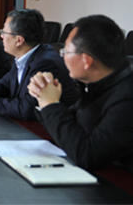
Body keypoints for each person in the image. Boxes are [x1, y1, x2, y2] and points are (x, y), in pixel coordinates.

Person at [28, 15, 133, 171]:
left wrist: (50, 104)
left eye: (65, 52)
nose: (62, 57)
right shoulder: (99, 84)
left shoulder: (127, 98)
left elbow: (87, 155)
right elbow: (72, 127)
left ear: (86, 61)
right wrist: (42, 97)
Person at [0, 8, 78, 121]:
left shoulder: (45, 63)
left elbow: (27, 108)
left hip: (45, 128)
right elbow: (5, 84)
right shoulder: (24, 56)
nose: (1, 36)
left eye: (4, 32)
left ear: (19, 40)